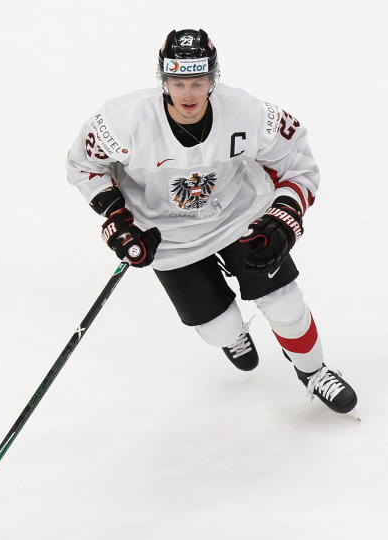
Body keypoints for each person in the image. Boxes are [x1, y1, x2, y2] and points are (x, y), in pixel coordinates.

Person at [66, 29, 357, 414]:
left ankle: (314, 372)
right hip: (165, 234)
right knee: (217, 327)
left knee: (284, 302)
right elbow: (84, 167)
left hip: (238, 215)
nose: (188, 94)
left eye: (198, 82)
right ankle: (233, 334)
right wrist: (118, 219)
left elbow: (297, 163)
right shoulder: (122, 123)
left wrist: (283, 218)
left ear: (212, 79)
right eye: (178, 82)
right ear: (164, 80)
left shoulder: (249, 114)